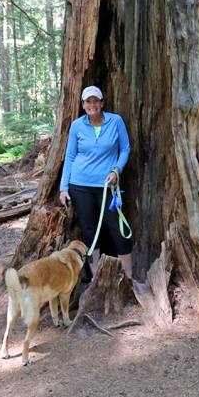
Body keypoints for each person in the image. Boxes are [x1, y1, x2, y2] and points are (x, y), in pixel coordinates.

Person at [59, 86, 133, 278]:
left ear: (101, 103)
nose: (92, 105)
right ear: (83, 105)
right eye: (88, 101)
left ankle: (129, 279)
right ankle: (94, 279)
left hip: (108, 186)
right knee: (90, 234)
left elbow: (125, 149)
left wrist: (117, 170)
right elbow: (70, 157)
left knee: (119, 230)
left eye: (96, 101)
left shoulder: (115, 121)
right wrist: (63, 188)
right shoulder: (77, 126)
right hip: (80, 186)